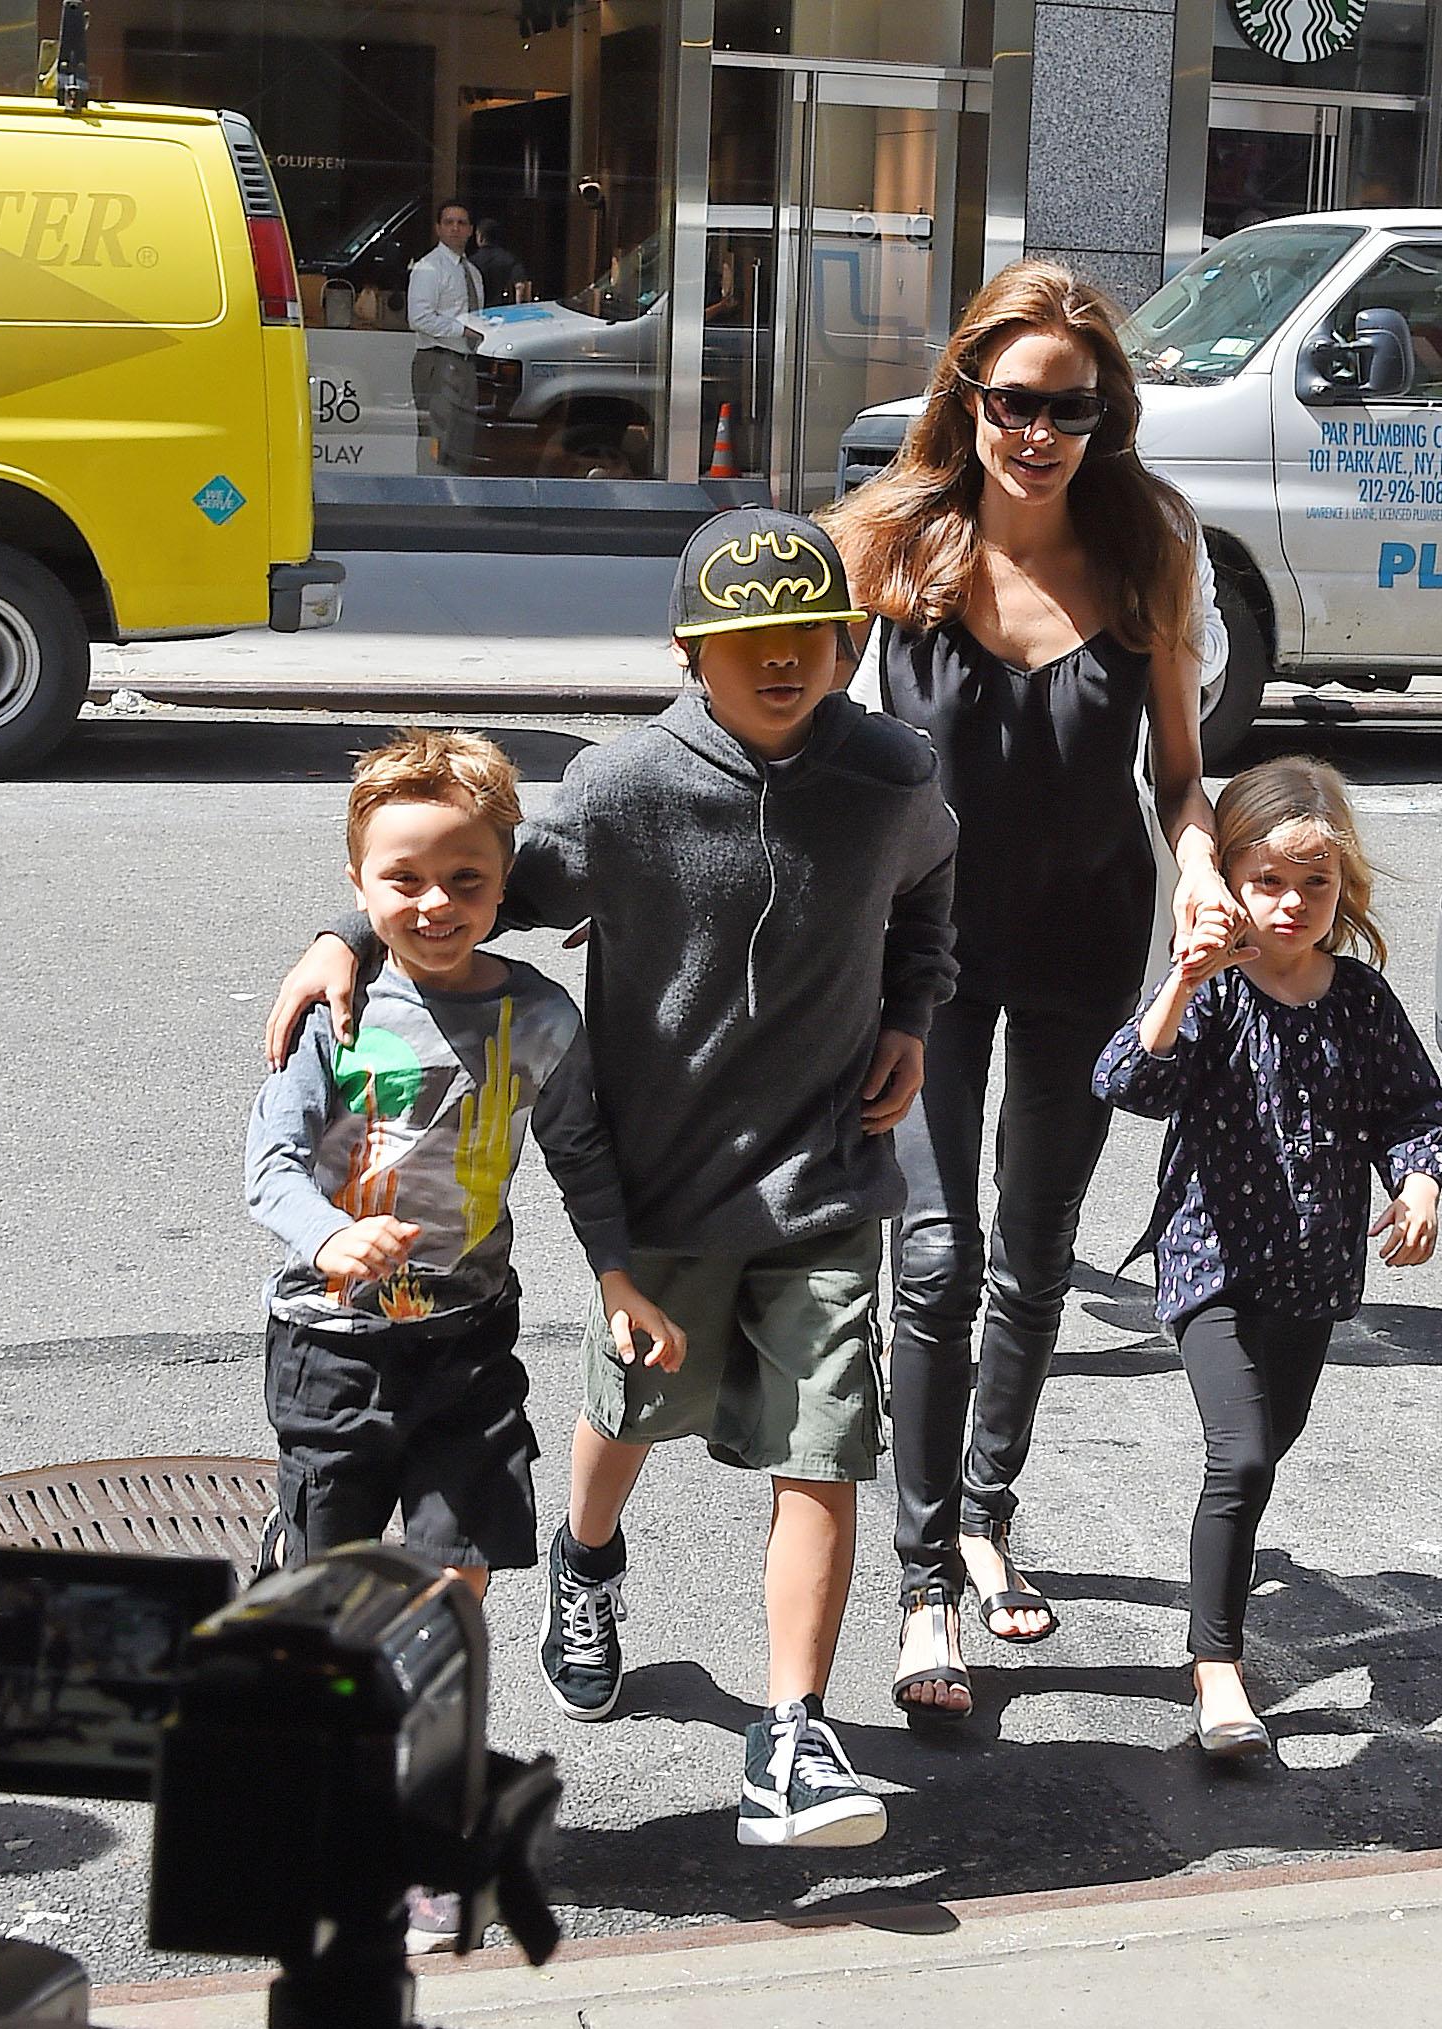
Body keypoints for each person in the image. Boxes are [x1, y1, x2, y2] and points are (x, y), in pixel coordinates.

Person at [263, 510, 959, 1849]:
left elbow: (929, 887)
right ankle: (585, 1561)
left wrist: (911, 1015)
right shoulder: (624, 786)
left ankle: (793, 1733)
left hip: (826, 1177)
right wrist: (340, 934)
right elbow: (465, 880)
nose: (778, 664)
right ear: (693, 651)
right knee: (634, 1412)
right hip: (663, 1184)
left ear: (840, 643)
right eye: (745, 641)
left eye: (804, 638)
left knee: (822, 1454)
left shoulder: (890, 773)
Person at [821, 258, 1238, 1721]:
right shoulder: (887, 538)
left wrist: (1199, 868)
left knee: (1037, 1253)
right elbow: (754, 715)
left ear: (1105, 415)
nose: (1038, 432)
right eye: (1012, 401)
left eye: (1070, 406)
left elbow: (1179, 779)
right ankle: (925, 1578)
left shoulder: (1145, 552)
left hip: (1083, 944)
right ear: (967, 398)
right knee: (934, 1260)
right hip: (921, 954)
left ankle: (988, 1510)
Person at [245, 728, 685, 1947]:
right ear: (358, 878)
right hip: (332, 1347)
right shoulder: (333, 1010)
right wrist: (328, 1234)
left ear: (507, 883)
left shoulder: (536, 1017)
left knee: (452, 1587)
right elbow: (269, 1164)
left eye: (467, 880)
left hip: (466, 1347)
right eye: (403, 880)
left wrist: (617, 1282)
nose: (435, 904)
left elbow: (582, 1158)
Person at [1092, 758, 1442, 1756]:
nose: (1291, 905)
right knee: (1241, 1455)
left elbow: (1414, 1112)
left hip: (1313, 1276)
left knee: (1264, 1450)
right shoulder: (1213, 993)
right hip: (1210, 1264)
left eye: (1315, 885)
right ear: (1230, 885)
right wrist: (1180, 978)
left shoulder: (1361, 1001)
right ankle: (1217, 1670)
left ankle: (1228, 1575)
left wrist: (1417, 1184)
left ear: (1344, 892)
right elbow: (1126, 1082)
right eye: (1268, 882)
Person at [407, 199, 483, 472]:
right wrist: (462, 330)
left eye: (461, 223)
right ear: (438, 229)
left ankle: (453, 496)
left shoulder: (472, 272)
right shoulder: (429, 267)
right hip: (437, 358)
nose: (455, 228)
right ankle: (429, 494)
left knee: (462, 437)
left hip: (466, 360)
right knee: (435, 434)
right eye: (449, 222)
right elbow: (419, 318)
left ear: (471, 230)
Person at [470, 218, 530, 308]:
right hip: (506, 311)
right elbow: (521, 286)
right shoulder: (511, 259)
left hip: (480, 312)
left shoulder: (471, 262)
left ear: (481, 237)